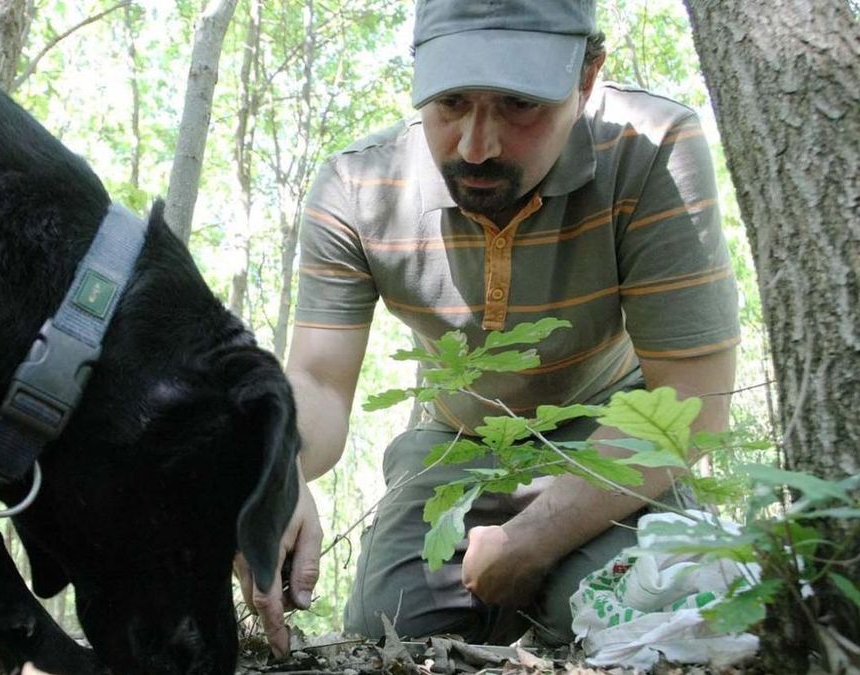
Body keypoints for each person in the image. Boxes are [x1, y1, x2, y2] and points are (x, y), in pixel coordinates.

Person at [238, 0, 740, 657]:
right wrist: (279, 469)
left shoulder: (649, 150)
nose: (477, 145)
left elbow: (695, 400)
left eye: (518, 103)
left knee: (611, 609)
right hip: (456, 436)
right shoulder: (359, 185)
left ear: (586, 78)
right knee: (389, 630)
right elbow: (319, 381)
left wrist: (533, 538)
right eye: (450, 102)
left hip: (611, 428)